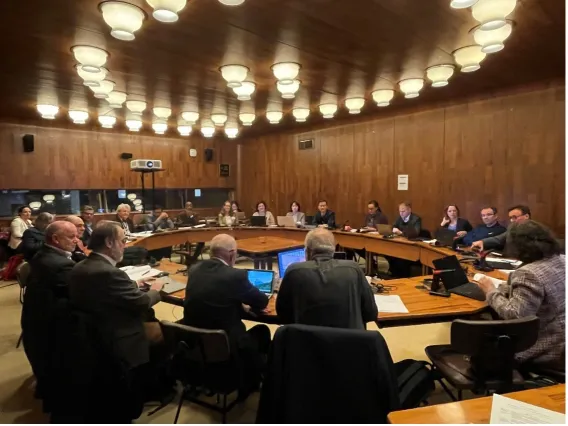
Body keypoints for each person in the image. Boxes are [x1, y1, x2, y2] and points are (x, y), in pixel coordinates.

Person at [183, 234, 270, 398]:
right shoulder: (235, 275)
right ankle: (249, 382)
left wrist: (237, 302)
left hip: (195, 344)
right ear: (232, 254)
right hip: (226, 346)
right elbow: (262, 301)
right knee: (262, 331)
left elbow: (215, 296)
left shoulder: (194, 270)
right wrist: (245, 304)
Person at [69, 221, 163, 372]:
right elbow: (142, 302)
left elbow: (107, 289)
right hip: (118, 333)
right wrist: (156, 290)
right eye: (123, 241)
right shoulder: (110, 272)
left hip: (93, 332)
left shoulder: (80, 266)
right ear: (109, 242)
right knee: (167, 329)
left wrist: (135, 284)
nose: (125, 246)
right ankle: (156, 380)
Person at [475, 220, 565, 371]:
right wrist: (504, 288)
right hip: (562, 338)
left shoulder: (528, 273)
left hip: (548, 346)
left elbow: (516, 316)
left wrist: (490, 291)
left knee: (481, 334)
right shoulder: (562, 259)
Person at [277, 228, 377, 329]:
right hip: (349, 342)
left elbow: (283, 316)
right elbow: (370, 314)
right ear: (333, 250)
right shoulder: (354, 269)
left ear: (307, 251)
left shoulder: (294, 271)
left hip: (305, 342)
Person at [22, 221, 78, 398]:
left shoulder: (43, 254)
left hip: (38, 322)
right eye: (71, 236)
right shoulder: (58, 264)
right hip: (51, 330)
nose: (77, 240)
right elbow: (84, 293)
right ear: (55, 238)